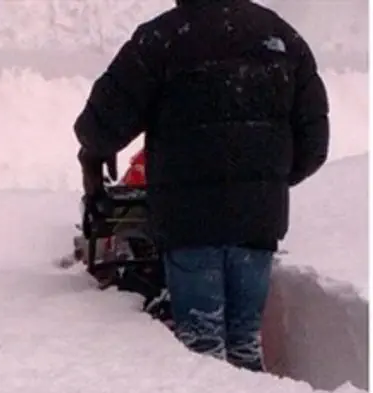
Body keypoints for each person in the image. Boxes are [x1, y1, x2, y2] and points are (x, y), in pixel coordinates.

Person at [73, 0, 329, 372]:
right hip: (257, 220)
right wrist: (266, 182)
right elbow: (314, 144)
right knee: (245, 342)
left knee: (202, 347)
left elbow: (100, 124)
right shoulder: (281, 37)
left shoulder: (164, 37)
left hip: (189, 221)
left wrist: (94, 154)